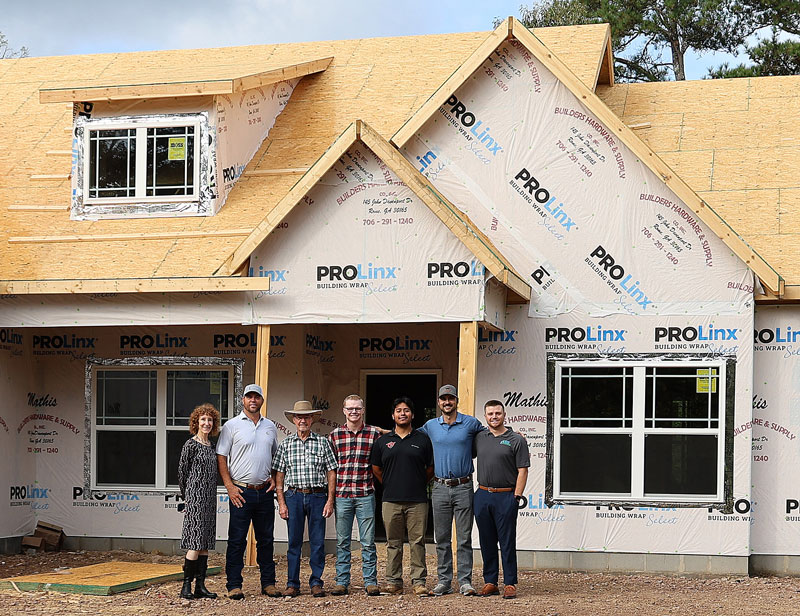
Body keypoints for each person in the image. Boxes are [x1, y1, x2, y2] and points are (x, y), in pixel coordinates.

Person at [216, 384, 280, 600]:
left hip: (264, 492)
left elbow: (274, 456)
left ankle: (268, 584)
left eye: (257, 397)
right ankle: (234, 585)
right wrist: (230, 487)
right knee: (237, 540)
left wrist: (272, 476)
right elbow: (221, 457)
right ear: (243, 400)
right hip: (240, 492)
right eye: (249, 397)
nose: (253, 400)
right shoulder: (231, 426)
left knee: (266, 540)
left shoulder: (270, 426)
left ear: (262, 400)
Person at [419, 384, 484, 596]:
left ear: (456, 401)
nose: (447, 402)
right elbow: (408, 435)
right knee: (442, 538)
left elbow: (490, 435)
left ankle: (465, 581)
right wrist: (382, 432)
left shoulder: (470, 423)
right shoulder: (430, 426)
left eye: (451, 398)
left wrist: (511, 434)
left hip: (463, 486)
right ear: (438, 402)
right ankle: (444, 582)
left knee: (464, 538)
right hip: (439, 487)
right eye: (443, 399)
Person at [273, 400, 338, 598]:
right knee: (294, 542)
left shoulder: (323, 442)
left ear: (312, 420)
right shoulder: (285, 444)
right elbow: (279, 476)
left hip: (318, 495)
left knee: (317, 542)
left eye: (307, 417)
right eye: (299, 417)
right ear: (294, 419)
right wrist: (281, 502)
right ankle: (293, 583)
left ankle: (316, 582)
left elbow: (331, 472)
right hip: (293, 495)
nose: (303, 420)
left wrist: (330, 500)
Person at [371, 396, 434, 597]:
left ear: (412, 415)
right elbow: (376, 468)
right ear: (393, 415)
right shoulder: (383, 441)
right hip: (390, 500)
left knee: (417, 542)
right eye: (398, 410)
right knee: (393, 543)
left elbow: (430, 468)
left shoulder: (422, 440)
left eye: (406, 410)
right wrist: (390, 484)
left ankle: (419, 582)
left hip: (417, 500)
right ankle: (393, 581)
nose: (402, 413)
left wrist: (416, 483)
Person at [473, 400, 530, 600]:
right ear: (485, 416)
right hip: (482, 494)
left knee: (506, 541)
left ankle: (510, 583)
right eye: (490, 414)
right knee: (486, 540)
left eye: (498, 413)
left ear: (505, 414)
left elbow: (523, 470)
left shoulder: (516, 440)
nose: (494, 417)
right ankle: (490, 582)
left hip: (506, 495)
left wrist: (517, 496)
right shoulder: (479, 437)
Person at [328, 394, 382, 596]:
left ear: (363, 410)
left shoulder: (374, 434)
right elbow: (330, 469)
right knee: (342, 541)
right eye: (350, 408)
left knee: (367, 541)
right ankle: (342, 581)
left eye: (357, 408)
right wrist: (331, 497)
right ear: (344, 410)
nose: (354, 412)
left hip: (365, 494)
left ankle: (370, 581)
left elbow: (379, 463)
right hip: (342, 495)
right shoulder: (335, 435)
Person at [178, 403, 221, 600]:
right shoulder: (191, 445)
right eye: (203, 420)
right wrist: (187, 496)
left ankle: (200, 586)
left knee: (204, 543)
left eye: (210, 420)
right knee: (194, 543)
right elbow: (182, 473)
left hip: (209, 499)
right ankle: (186, 586)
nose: (207, 423)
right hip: (195, 498)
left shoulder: (213, 446)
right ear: (197, 422)